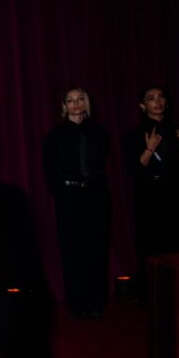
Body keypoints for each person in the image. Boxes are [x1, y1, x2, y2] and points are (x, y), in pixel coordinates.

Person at [123, 86, 179, 293]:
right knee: (153, 245)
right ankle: (154, 293)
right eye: (151, 98)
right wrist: (149, 148)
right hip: (150, 195)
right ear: (143, 106)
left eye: (161, 97)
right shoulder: (134, 134)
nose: (157, 102)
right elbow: (134, 169)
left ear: (166, 103)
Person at [42, 88, 111, 318]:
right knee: (72, 251)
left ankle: (95, 303)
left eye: (80, 99)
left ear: (87, 103)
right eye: (70, 100)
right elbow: (49, 170)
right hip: (68, 198)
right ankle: (77, 304)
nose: (76, 104)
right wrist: (61, 192)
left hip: (95, 198)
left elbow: (100, 165)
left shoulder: (99, 132)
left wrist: (97, 191)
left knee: (96, 250)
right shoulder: (55, 135)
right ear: (64, 106)